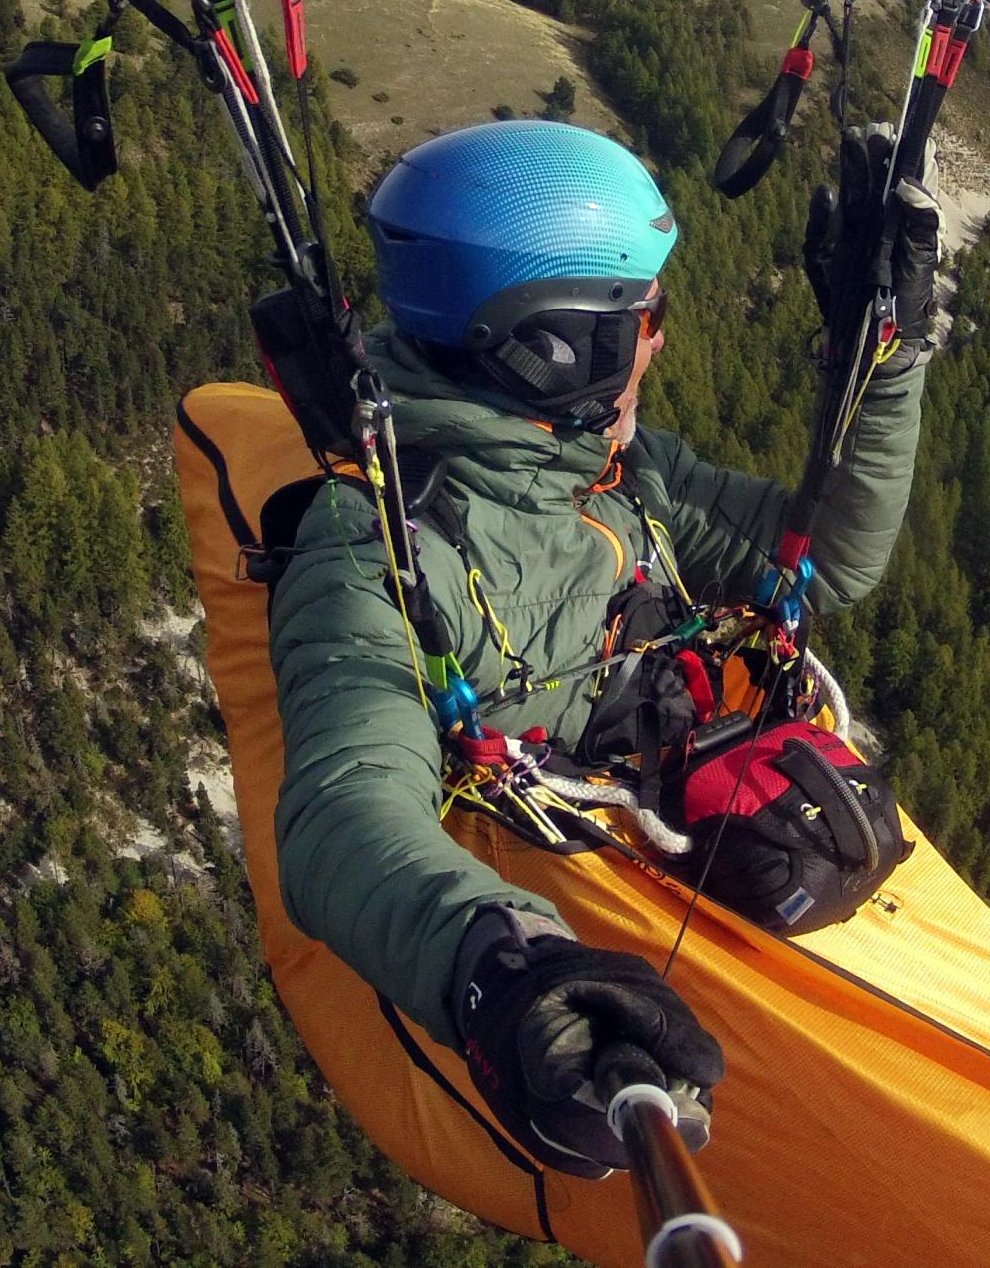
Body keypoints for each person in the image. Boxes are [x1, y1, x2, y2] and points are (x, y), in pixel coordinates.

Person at [266, 117, 940, 1180]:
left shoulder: (626, 476)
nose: (662, 340)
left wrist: (882, 360)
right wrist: (500, 959)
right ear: (554, 346)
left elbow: (828, 561)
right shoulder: (384, 552)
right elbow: (340, 812)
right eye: (646, 316)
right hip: (565, 876)